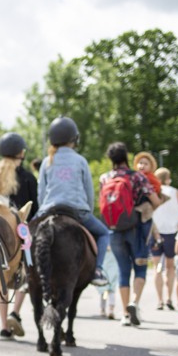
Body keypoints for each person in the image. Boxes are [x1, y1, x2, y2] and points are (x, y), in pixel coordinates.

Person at [35, 116, 109, 286]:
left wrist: (41, 212)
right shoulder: (81, 160)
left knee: (25, 236)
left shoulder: (47, 161)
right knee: (104, 233)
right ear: (74, 138)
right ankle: (97, 270)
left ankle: (24, 271)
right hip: (77, 211)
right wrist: (87, 210)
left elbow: (41, 193)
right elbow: (89, 191)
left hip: (48, 210)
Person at [0, 132, 38, 340]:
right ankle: (16, 312)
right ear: (21, 153)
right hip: (20, 233)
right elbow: (35, 208)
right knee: (24, 272)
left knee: (1, 276)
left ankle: (5, 325)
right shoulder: (28, 178)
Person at [103, 142, 162, 326]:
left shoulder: (105, 178)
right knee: (140, 268)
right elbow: (156, 202)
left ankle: (124, 315)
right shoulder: (137, 177)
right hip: (136, 229)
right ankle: (134, 302)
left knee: (123, 270)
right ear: (126, 157)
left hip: (114, 229)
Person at [151, 167, 178, 311]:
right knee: (170, 267)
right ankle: (170, 297)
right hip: (172, 232)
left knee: (157, 268)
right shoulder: (175, 192)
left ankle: (160, 300)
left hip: (156, 233)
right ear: (168, 178)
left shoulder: (154, 192)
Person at [95, 230, 121, 319]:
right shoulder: (108, 236)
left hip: (112, 267)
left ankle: (109, 310)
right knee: (106, 291)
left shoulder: (105, 236)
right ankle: (106, 309)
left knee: (109, 290)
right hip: (106, 267)